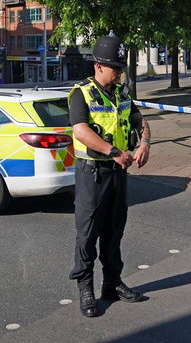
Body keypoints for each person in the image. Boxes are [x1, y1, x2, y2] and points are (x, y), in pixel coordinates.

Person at [68, 33, 151, 317]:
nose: (119, 72)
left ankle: (112, 284)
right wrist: (114, 151)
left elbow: (140, 121)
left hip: (118, 174)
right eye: (115, 67)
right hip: (93, 174)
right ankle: (86, 288)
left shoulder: (121, 93)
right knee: (88, 233)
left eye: (121, 67)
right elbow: (81, 131)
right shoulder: (81, 94)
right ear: (99, 66)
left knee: (114, 231)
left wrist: (145, 143)